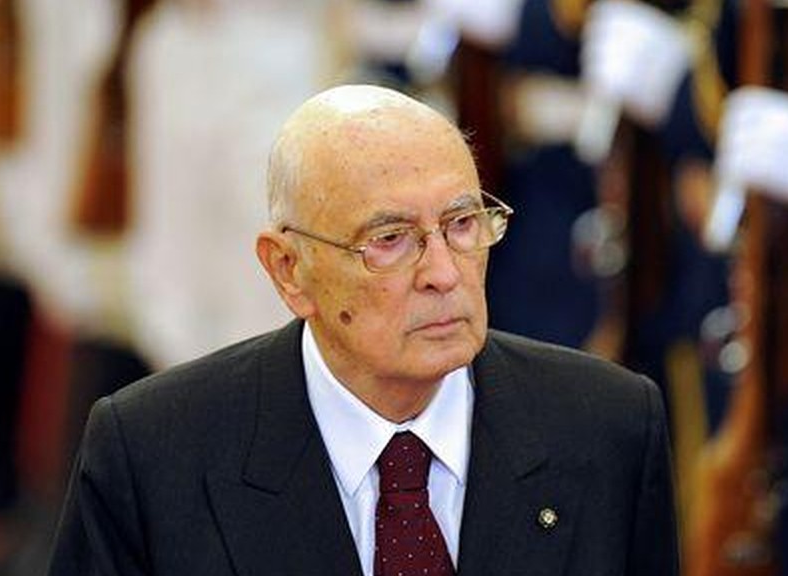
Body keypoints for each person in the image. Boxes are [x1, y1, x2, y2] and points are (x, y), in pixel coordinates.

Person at [46, 84, 679, 575]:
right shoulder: (153, 455)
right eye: (390, 239)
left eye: (462, 224)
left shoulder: (609, 426)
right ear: (289, 270)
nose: (443, 273)